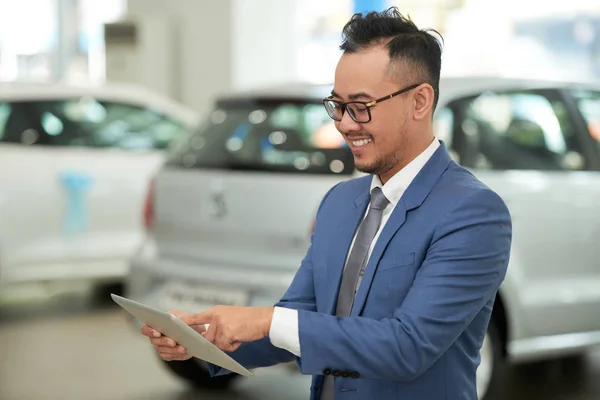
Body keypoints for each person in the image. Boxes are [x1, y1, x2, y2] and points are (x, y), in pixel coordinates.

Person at [141, 7, 512, 400]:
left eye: (361, 106)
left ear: (420, 102)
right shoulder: (340, 203)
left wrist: (266, 320)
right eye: (337, 105)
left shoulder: (472, 213)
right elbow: (295, 322)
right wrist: (200, 341)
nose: (345, 125)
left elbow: (409, 347)